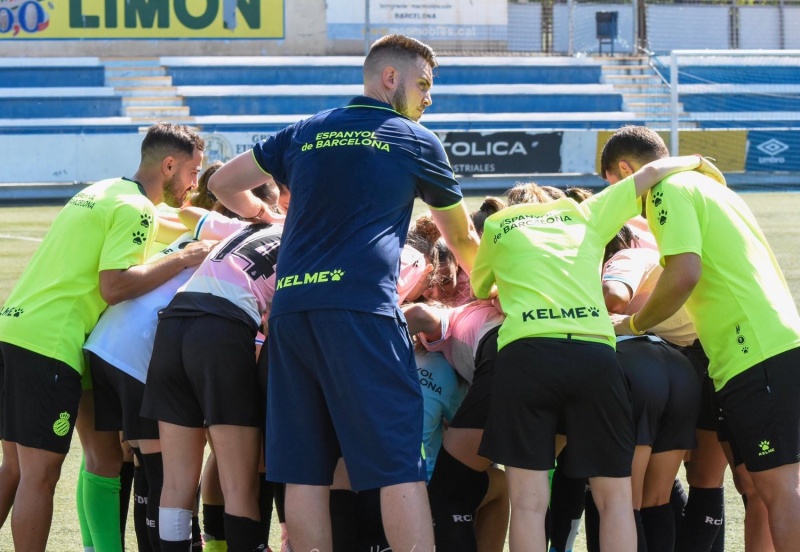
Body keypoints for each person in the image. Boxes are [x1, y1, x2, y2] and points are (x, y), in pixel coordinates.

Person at [207, 33, 481, 552]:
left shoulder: (305, 130)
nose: (430, 98)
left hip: (290, 313)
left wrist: (268, 217)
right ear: (390, 78)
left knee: (305, 469)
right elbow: (462, 238)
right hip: (361, 312)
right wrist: (491, 289)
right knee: (398, 464)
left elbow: (221, 182)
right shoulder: (414, 139)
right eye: (424, 85)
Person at [471, 156, 722, 551]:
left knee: (528, 506)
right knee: (616, 501)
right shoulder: (583, 212)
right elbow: (649, 173)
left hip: (526, 354)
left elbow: (481, 286)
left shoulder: (499, 224)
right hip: (594, 353)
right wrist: (699, 161)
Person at [0, 122, 211, 552]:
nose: (193, 184)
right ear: (169, 165)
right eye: (192, 173)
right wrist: (186, 258)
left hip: (15, 328)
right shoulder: (137, 209)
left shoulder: (101, 190)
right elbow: (113, 286)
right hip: (50, 343)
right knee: (40, 475)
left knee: (14, 470)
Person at [602, 125, 800, 552]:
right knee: (760, 487)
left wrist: (632, 327)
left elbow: (684, 274)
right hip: (773, 344)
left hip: (753, 353)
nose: (618, 202)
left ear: (625, 170)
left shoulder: (665, 191)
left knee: (778, 489)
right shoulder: (713, 188)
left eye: (613, 188)